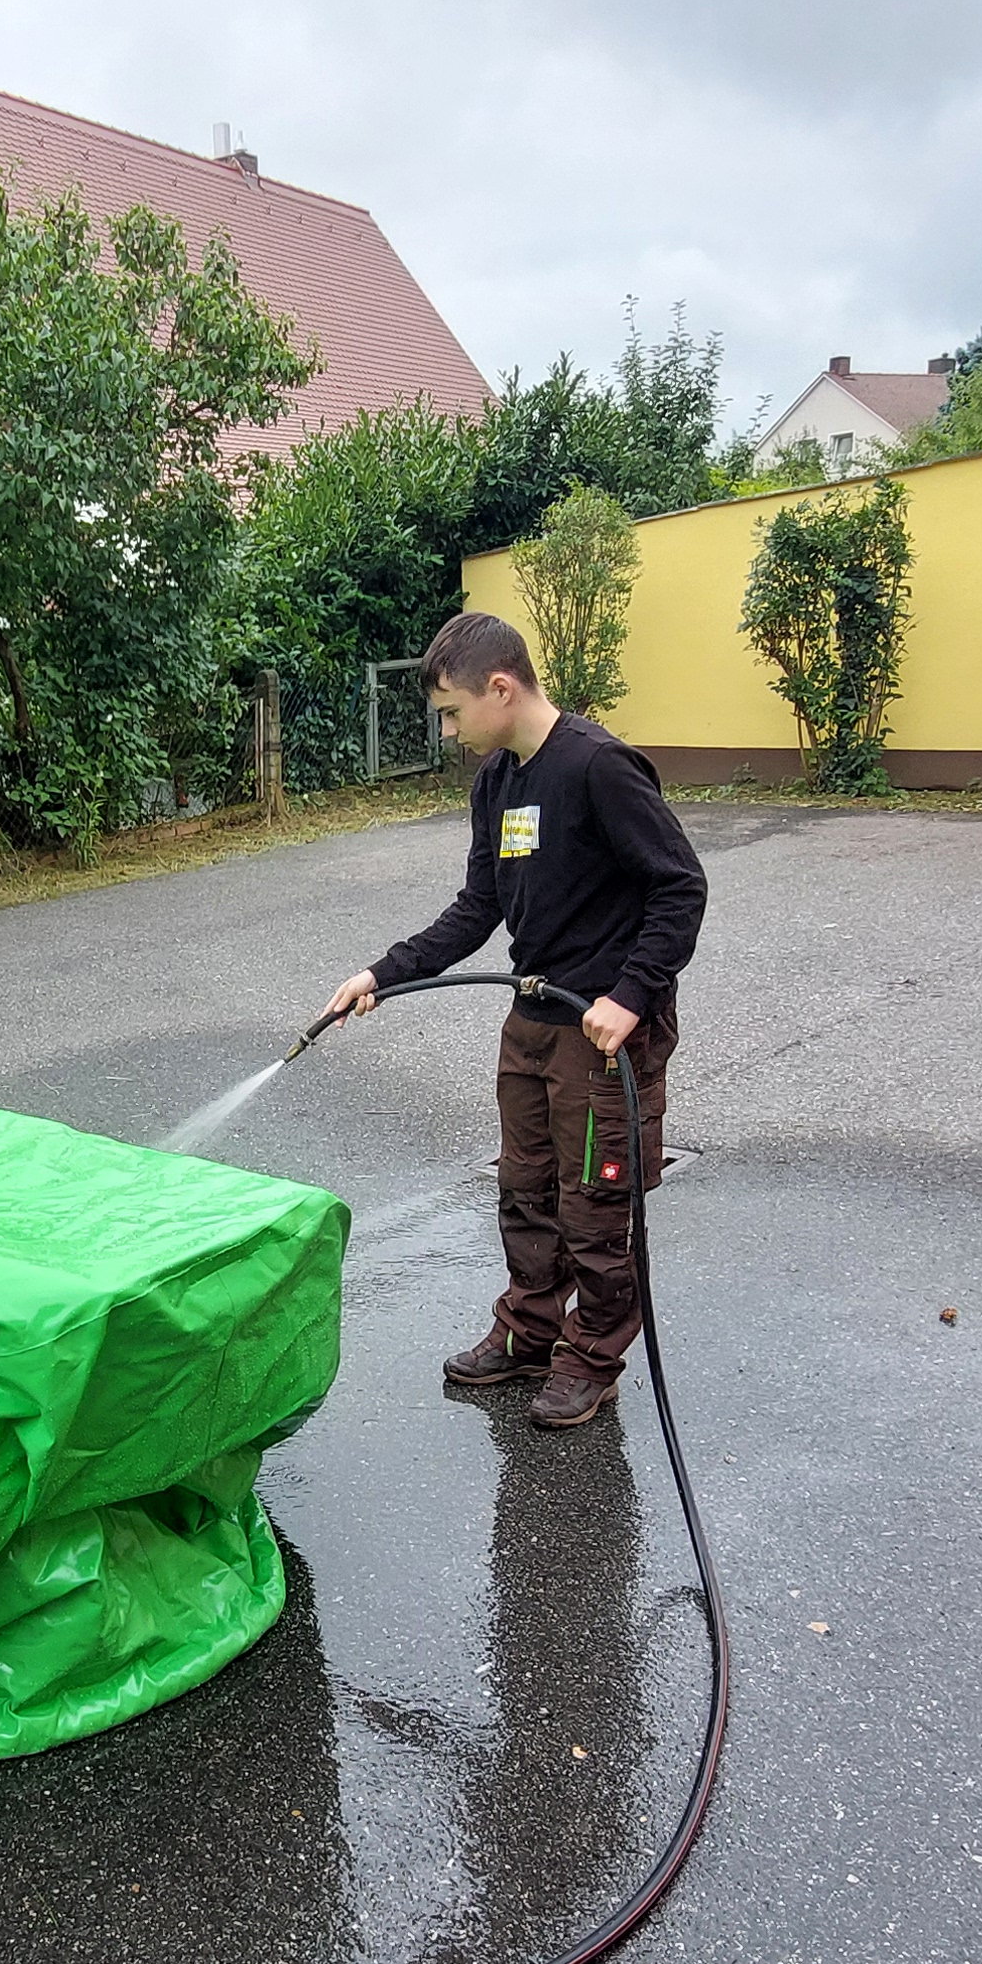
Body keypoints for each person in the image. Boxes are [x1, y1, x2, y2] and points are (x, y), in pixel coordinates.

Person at [322, 612, 708, 1429]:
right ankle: (530, 1332)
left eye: (454, 711)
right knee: (525, 1190)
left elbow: (679, 887)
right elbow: (479, 907)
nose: (451, 728)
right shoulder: (497, 783)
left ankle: (594, 1356)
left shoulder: (598, 767)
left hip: (604, 1038)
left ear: (501, 688)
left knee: (595, 1208)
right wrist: (381, 974)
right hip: (533, 1020)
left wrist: (631, 995)